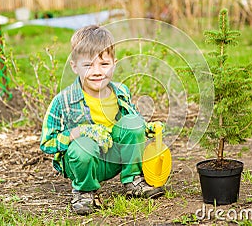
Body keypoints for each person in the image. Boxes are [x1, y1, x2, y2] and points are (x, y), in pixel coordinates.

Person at [40, 25, 164, 215]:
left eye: (104, 64)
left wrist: (146, 128)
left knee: (134, 122)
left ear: (114, 63)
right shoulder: (62, 101)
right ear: (74, 66)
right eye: (88, 65)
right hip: (84, 162)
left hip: (114, 157)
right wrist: (78, 132)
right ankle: (85, 191)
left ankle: (133, 179)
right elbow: (47, 143)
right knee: (83, 147)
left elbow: (128, 124)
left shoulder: (121, 92)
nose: (97, 71)